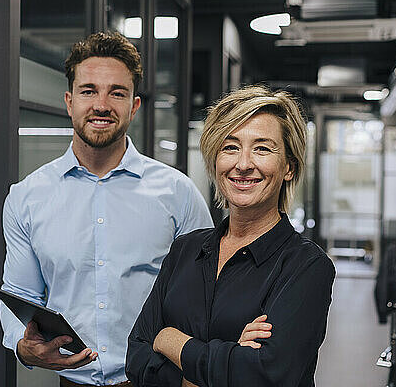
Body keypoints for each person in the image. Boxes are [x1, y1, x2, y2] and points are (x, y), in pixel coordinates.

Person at [0, 32, 214, 386]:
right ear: (69, 101)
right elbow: (20, 293)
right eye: (88, 91)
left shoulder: (178, 194)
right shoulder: (27, 197)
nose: (102, 104)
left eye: (117, 92)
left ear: (134, 106)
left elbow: (207, 293)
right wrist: (23, 346)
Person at [126, 85, 336, 387]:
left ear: (289, 167)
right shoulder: (185, 249)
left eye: (262, 148)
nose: (243, 164)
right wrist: (227, 359)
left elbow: (266, 375)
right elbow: (136, 356)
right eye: (230, 147)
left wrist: (170, 339)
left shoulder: (307, 266)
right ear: (215, 161)